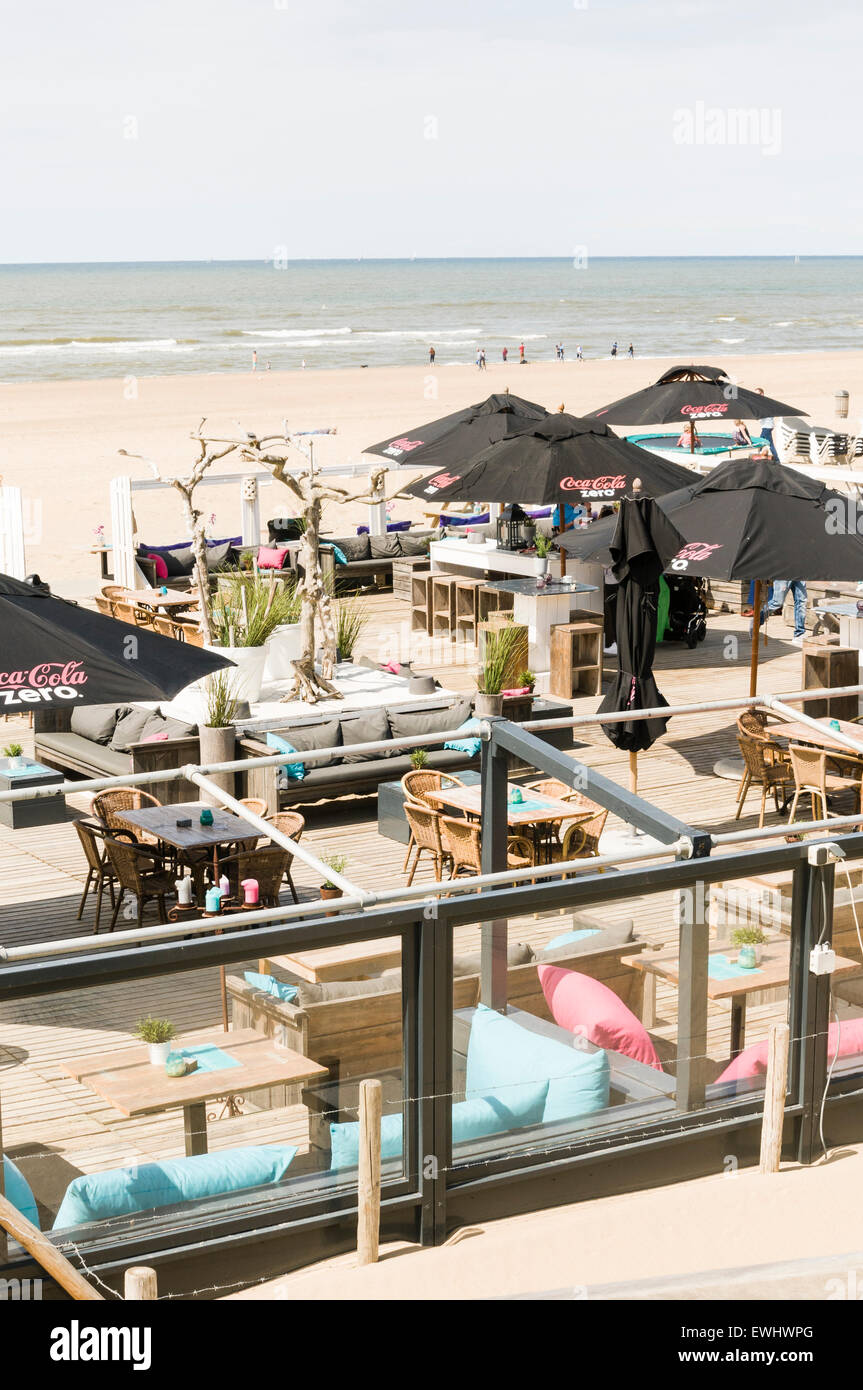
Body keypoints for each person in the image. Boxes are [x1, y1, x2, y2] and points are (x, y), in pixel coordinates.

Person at [769, 579, 807, 644]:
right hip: (784, 572)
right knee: (777, 602)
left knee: (801, 602)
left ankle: (799, 634)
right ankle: (756, 620)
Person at [756, 388, 779, 460]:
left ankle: (776, 459)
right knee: (767, 443)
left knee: (762, 442)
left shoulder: (765, 402)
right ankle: (776, 459)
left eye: (758, 394)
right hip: (766, 426)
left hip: (767, 426)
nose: (756, 395)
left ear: (762, 393)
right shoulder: (760, 402)